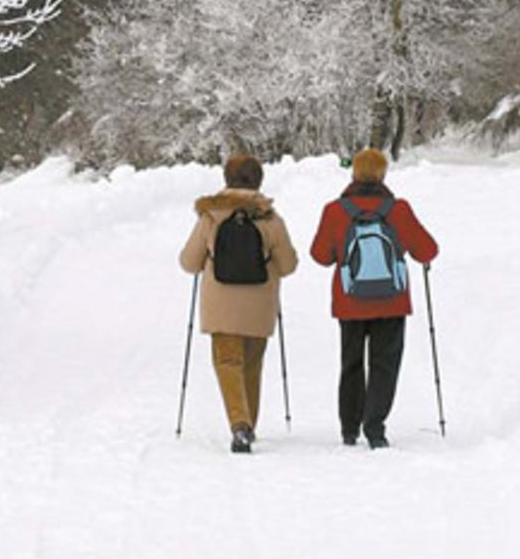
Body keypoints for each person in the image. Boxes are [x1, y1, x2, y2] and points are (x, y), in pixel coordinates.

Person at [309, 148, 438, 449]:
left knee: (351, 363)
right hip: (391, 302)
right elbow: (427, 250)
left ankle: (349, 428)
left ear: (353, 173)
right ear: (383, 175)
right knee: (385, 364)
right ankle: (375, 426)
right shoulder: (399, 210)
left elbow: (319, 256)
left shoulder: (335, 210)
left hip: (350, 302)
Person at [178, 154, 298, 454]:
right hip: (259, 308)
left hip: (220, 307)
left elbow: (188, 262)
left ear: (226, 179)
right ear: (258, 180)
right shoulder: (269, 217)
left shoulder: (211, 216)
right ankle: (248, 425)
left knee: (227, 363)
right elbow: (288, 265)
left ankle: (239, 424)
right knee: (252, 366)